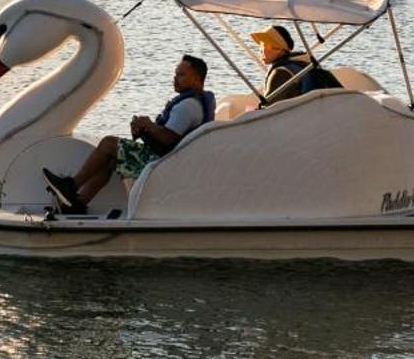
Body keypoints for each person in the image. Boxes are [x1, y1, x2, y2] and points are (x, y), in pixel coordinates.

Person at [41, 55, 215, 215]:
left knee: (109, 144)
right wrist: (145, 131)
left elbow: (168, 138)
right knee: (110, 159)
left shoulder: (187, 107)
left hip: (161, 163)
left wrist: (148, 125)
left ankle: (71, 186)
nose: (175, 78)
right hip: (168, 158)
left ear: (196, 78)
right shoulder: (195, 102)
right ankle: (77, 203)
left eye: (181, 75)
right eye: (176, 74)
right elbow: (169, 138)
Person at [254, 24, 340, 103]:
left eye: (267, 46)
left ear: (281, 50)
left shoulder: (280, 72)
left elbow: (268, 109)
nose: (263, 50)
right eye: (261, 45)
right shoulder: (302, 63)